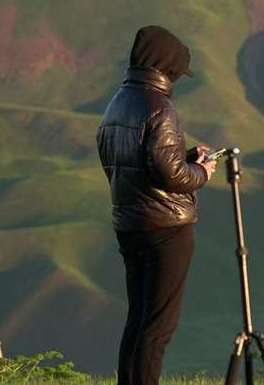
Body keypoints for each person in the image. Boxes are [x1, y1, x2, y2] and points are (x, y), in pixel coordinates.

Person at [96, 25, 217, 385]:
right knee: (158, 328)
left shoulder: (117, 104)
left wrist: (182, 155)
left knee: (138, 320)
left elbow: (134, 160)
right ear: (166, 67)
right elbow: (172, 174)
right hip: (166, 228)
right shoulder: (160, 107)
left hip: (129, 224)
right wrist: (201, 171)